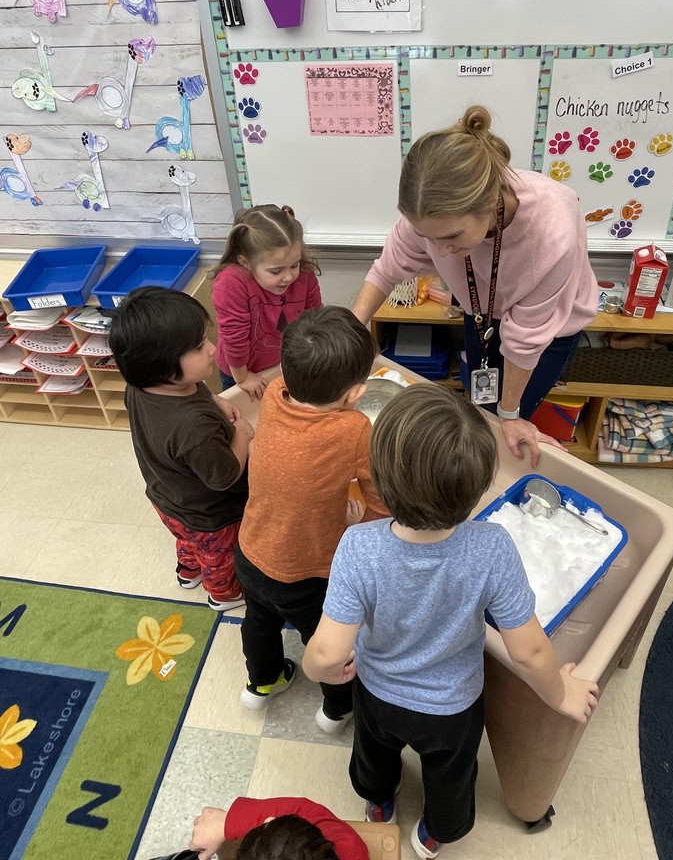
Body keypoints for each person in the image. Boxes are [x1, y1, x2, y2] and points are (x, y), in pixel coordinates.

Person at [303, 383, 599, 860]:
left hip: (379, 693)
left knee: (373, 753)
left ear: (378, 476)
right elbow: (530, 650)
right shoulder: (492, 547)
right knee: (451, 774)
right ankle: (436, 832)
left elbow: (326, 652)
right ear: (482, 488)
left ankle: (378, 802)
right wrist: (560, 694)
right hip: (451, 707)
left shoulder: (358, 546)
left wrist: (322, 672)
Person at [351, 105, 599, 466]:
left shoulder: (551, 226)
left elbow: (526, 339)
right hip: (482, 313)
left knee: (506, 422)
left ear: (489, 203)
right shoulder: (431, 213)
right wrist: (351, 330)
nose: (439, 251)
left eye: (451, 237)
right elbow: (388, 268)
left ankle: (492, 471)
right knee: (480, 407)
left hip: (548, 329)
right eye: (426, 236)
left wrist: (512, 415)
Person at [235, 305, 388, 731]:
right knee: (325, 640)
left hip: (250, 551)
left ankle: (260, 683)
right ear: (356, 394)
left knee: (259, 621)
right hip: (307, 572)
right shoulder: (355, 428)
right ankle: (337, 709)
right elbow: (379, 497)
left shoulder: (274, 393)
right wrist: (362, 527)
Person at [109, 286, 253, 611]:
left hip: (166, 499)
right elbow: (224, 475)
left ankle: (188, 571)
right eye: (200, 347)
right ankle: (223, 594)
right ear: (164, 367)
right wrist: (242, 434)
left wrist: (214, 400)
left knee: (188, 541)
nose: (214, 349)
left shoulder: (141, 386)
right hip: (211, 514)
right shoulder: (193, 427)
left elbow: (190, 391)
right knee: (219, 555)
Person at [211, 204, 322, 400]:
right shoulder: (231, 282)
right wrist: (243, 378)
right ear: (246, 262)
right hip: (240, 370)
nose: (288, 277)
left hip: (284, 363)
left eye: (293, 265)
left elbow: (315, 319)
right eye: (276, 271)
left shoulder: (303, 270)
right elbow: (234, 337)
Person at [187, 798, 368, 860]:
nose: (269, 818)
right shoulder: (351, 848)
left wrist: (230, 821)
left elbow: (302, 809)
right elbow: (306, 809)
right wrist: (227, 822)